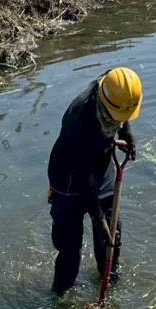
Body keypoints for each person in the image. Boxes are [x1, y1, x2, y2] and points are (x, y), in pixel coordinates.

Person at [47, 66, 141, 297]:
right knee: (70, 248)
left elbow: (122, 111)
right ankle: (61, 295)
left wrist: (125, 133)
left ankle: (109, 275)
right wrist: (98, 219)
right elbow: (83, 176)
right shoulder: (80, 122)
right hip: (69, 177)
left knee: (112, 233)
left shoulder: (113, 84)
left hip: (100, 162)